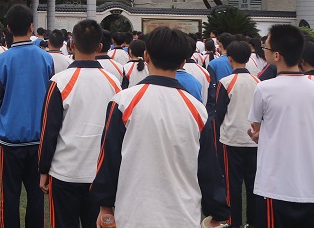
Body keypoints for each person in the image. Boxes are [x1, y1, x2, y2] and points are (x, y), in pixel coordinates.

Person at [90, 26, 229, 228]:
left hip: (133, 214)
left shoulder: (124, 102)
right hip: (182, 216)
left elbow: (109, 158)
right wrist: (216, 211)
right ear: (183, 62)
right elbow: (208, 168)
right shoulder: (196, 109)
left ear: (146, 55)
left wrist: (105, 204)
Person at [38, 19, 121, 228]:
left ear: (71, 44)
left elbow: (48, 131)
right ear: (100, 47)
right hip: (99, 173)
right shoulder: (113, 82)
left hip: (65, 171)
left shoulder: (59, 81)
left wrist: (43, 169)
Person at [0, 5, 54, 228]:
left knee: (10, 194)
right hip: (39, 139)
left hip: (11, 139)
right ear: (31, 26)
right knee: (36, 195)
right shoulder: (46, 59)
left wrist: (3, 122)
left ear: (8, 28)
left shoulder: (1, 61)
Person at [248, 23, 314, 224]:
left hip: (274, 184)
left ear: (277, 55)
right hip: (308, 184)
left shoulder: (264, 88)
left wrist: (259, 136)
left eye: (266, 47)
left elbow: (256, 128)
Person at [213, 40, 260, 228]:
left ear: (229, 58)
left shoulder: (225, 82)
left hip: (231, 139)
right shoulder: (259, 82)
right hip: (254, 139)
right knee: (253, 183)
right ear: (248, 58)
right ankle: (253, 221)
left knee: (232, 184)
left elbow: (219, 112)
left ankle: (234, 222)